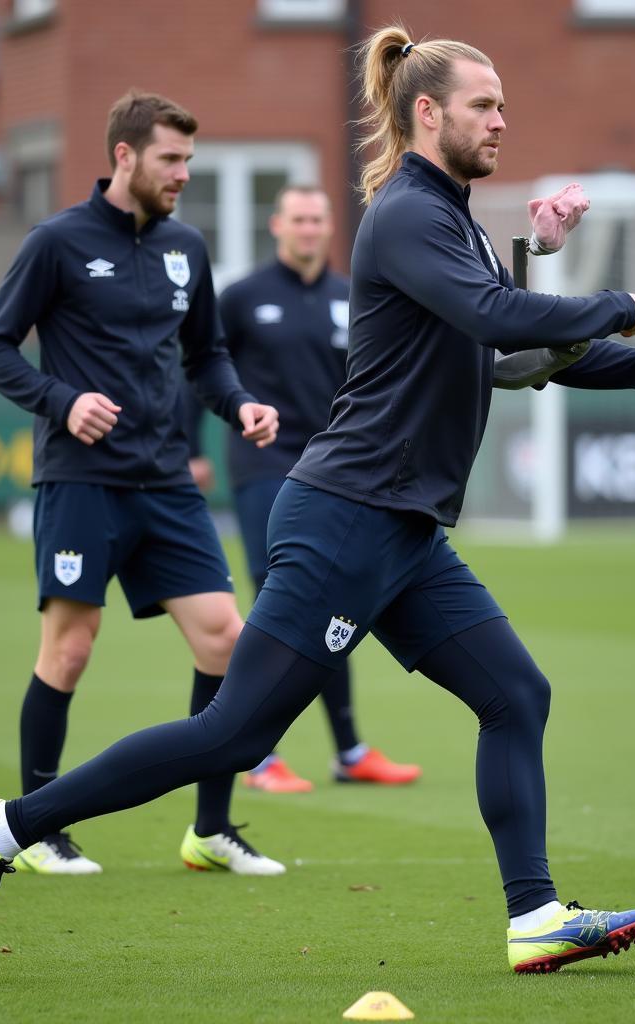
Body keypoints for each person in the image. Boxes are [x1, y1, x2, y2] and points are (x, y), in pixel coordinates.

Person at [0, 28, 635, 977]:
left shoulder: (453, 221)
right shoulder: (406, 215)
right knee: (233, 732)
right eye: (485, 105)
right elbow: (499, 317)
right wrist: (613, 299)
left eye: (504, 104)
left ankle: (534, 915)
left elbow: (511, 356)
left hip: (402, 530)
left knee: (516, 694)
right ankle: (3, 825)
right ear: (427, 111)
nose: (502, 120)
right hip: (347, 514)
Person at [0, 90, 285, 878]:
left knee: (227, 639)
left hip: (167, 479)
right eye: (170, 159)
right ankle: (37, 829)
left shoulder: (188, 247)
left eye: (188, 160)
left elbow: (205, 355)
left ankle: (210, 830)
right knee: (70, 650)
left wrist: (239, 401)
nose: (182, 174)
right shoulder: (57, 242)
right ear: (124, 156)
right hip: (81, 481)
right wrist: (62, 400)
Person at [196, 184, 421, 792]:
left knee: (333, 600)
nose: (308, 228)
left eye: (317, 219)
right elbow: (199, 366)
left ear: (328, 227)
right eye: (297, 218)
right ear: (277, 225)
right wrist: (193, 447)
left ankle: (349, 752)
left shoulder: (352, 297)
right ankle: (257, 753)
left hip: (333, 469)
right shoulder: (242, 297)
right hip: (263, 463)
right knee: (283, 600)